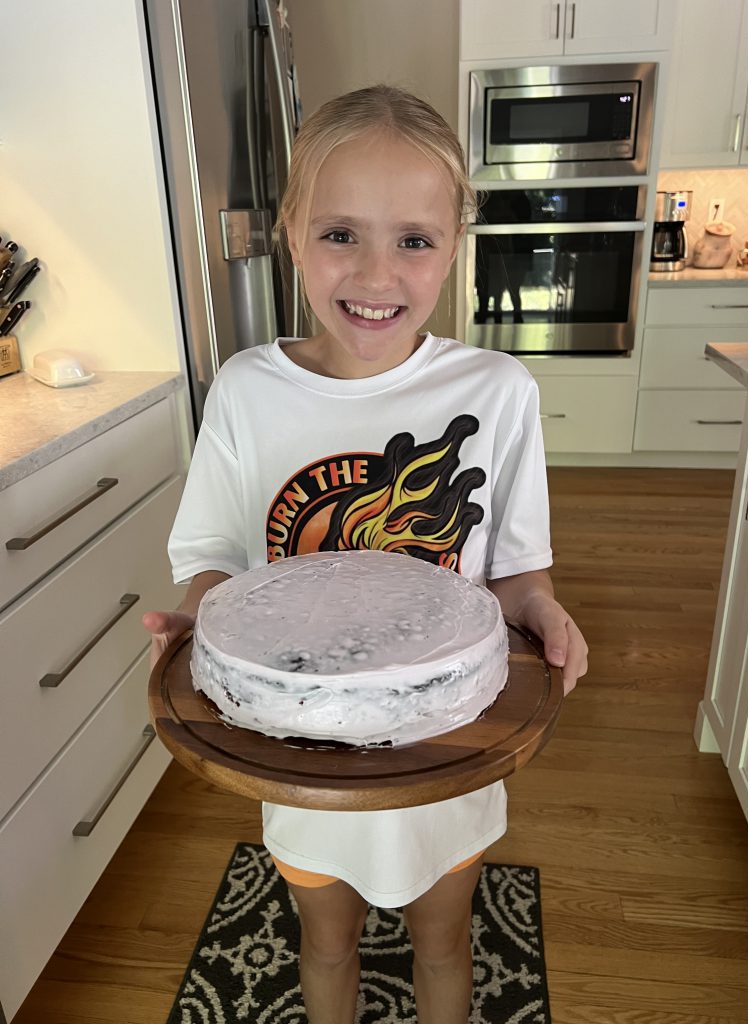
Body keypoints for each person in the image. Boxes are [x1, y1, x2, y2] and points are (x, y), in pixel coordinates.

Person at [143, 84, 588, 1024]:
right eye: (341, 233)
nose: (377, 274)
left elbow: (516, 570)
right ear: (292, 234)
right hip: (299, 754)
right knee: (325, 940)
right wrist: (209, 627)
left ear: (453, 246)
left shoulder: (498, 390)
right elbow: (218, 560)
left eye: (414, 240)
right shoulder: (246, 391)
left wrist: (540, 608)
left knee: (444, 943)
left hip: (442, 752)